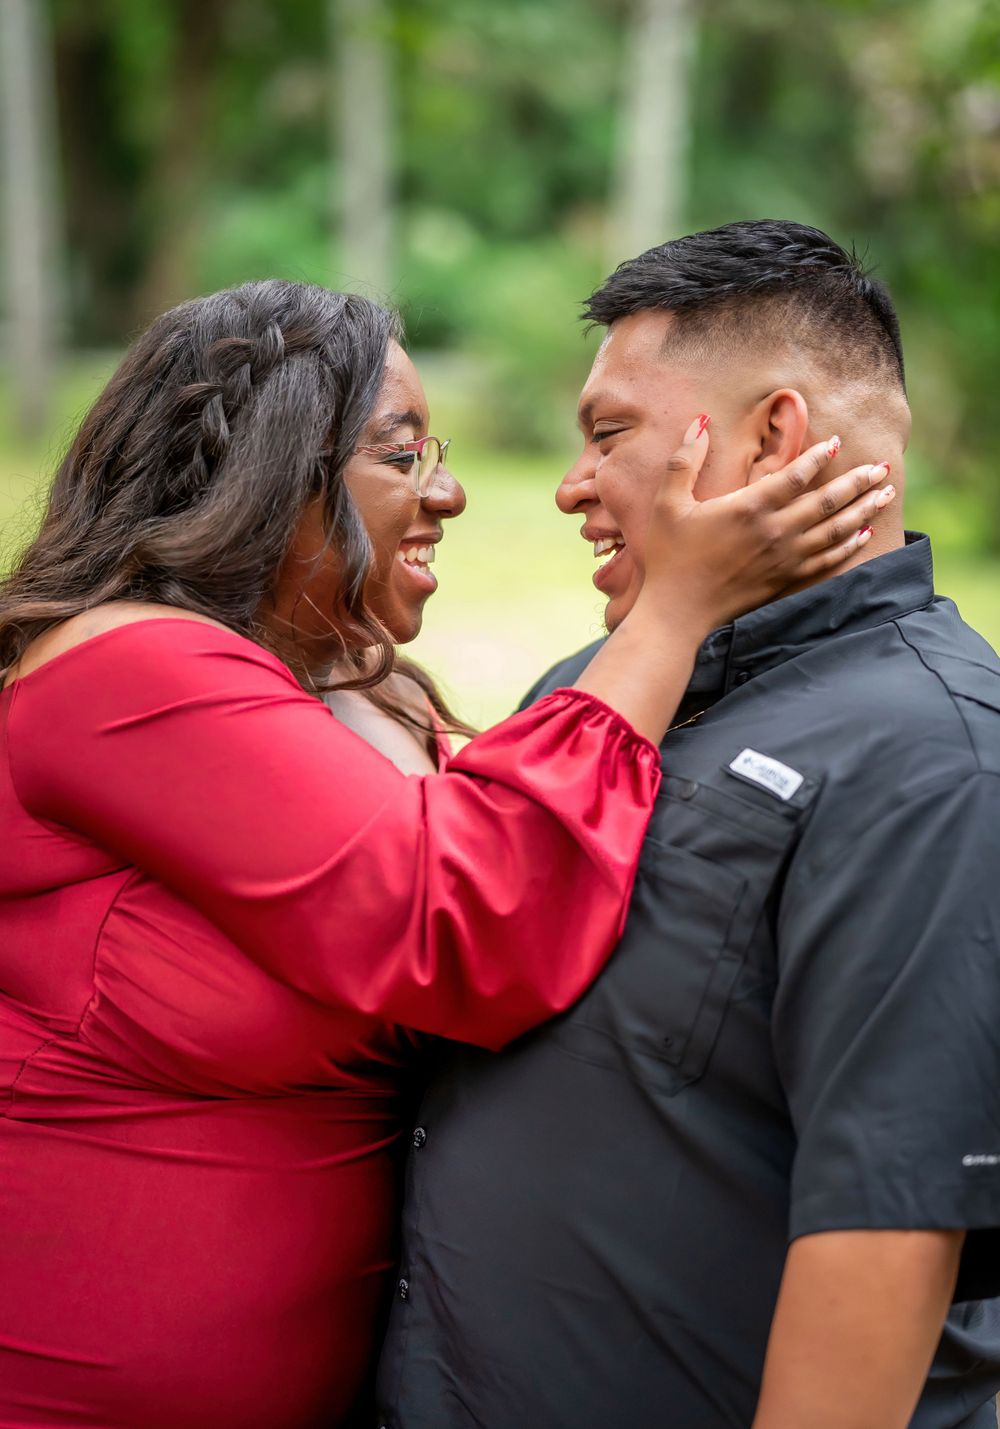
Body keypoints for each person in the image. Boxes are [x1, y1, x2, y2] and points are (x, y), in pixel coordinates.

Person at [0, 278, 887, 1428]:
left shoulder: (373, 692)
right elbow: (463, 919)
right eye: (401, 453)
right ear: (274, 468)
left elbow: (558, 843)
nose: (450, 493)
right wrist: (675, 608)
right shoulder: (121, 670)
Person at [376, 222, 1000, 1429]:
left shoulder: (936, 760)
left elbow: (883, 1233)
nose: (569, 487)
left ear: (773, 436)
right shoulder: (599, 677)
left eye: (610, 435)